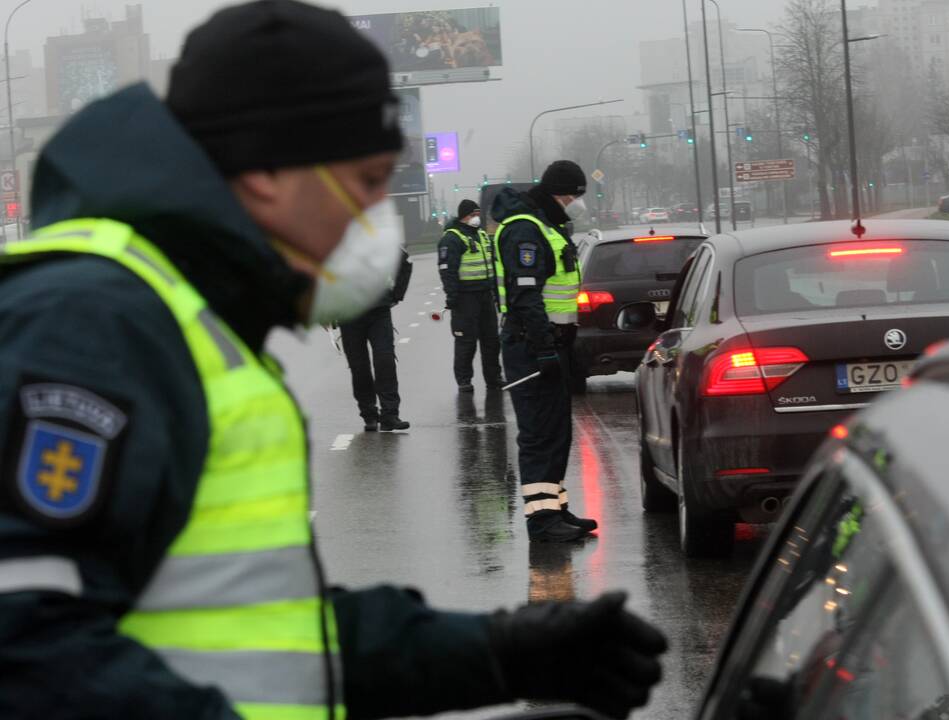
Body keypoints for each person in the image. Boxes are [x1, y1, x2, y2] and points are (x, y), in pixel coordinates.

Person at [0, 2, 668, 719]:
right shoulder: (95, 323)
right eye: (365, 181)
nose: (377, 217)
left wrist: (493, 653)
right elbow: (26, 650)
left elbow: (262, 641)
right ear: (264, 173)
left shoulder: (183, 314)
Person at [492, 160, 595, 543]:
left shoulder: (547, 225)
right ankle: (541, 521)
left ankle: (555, 508)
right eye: (575, 195)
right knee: (538, 433)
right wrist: (544, 349)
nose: (578, 203)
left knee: (556, 431)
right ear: (559, 193)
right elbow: (525, 296)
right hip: (531, 346)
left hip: (552, 343)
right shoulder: (525, 229)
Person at [338, 246, 412, 431]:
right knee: (359, 367)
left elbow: (405, 262)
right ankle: (369, 414)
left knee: (385, 360)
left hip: (379, 312)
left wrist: (397, 294)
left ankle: (390, 415)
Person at [437, 198, 503, 392]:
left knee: (491, 340)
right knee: (466, 341)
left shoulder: (482, 236)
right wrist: (452, 296)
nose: (475, 218)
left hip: (485, 295)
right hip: (465, 298)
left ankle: (494, 378)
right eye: (471, 215)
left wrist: (496, 294)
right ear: (463, 216)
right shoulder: (452, 238)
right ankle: (464, 380)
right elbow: (447, 270)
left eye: (477, 214)